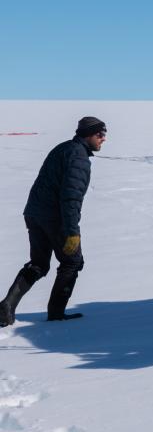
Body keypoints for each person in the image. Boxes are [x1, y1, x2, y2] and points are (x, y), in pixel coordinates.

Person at [0, 116, 106, 326]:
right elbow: (70, 198)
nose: (103, 139)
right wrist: (72, 232)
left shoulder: (64, 148)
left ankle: (6, 307)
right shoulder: (78, 158)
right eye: (100, 134)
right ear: (88, 134)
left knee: (39, 264)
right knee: (72, 262)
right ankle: (56, 314)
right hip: (54, 218)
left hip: (34, 213)